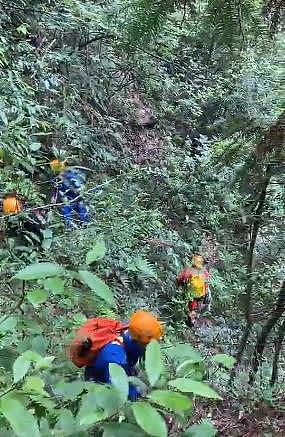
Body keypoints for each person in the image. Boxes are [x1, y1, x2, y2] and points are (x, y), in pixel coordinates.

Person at [68, 311, 163, 401]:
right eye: (148, 345)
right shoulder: (115, 359)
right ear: (138, 343)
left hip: (114, 369)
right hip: (99, 386)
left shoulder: (128, 331)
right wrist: (140, 395)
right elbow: (120, 394)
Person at [50, 159, 89, 228]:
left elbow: (78, 184)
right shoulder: (56, 179)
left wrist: (80, 191)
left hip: (75, 196)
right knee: (68, 210)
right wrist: (53, 199)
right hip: (67, 197)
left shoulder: (68, 175)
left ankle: (84, 223)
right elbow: (55, 190)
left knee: (79, 209)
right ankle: (72, 226)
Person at [177, 254, 211, 326]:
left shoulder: (189, 270)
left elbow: (181, 279)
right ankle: (194, 318)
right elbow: (207, 282)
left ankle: (191, 319)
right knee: (196, 308)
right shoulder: (204, 271)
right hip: (201, 294)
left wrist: (179, 284)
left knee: (191, 307)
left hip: (191, 293)